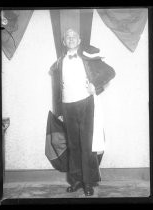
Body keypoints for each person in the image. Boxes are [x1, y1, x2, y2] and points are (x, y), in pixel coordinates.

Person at [49, 29, 115, 196]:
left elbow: (110, 72)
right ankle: (77, 181)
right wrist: (59, 111)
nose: (71, 39)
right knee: (73, 145)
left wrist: (95, 85)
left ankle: (88, 182)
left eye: (74, 36)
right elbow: (56, 89)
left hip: (86, 104)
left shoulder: (88, 57)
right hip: (67, 106)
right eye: (67, 37)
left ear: (79, 40)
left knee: (86, 145)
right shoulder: (59, 63)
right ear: (64, 42)